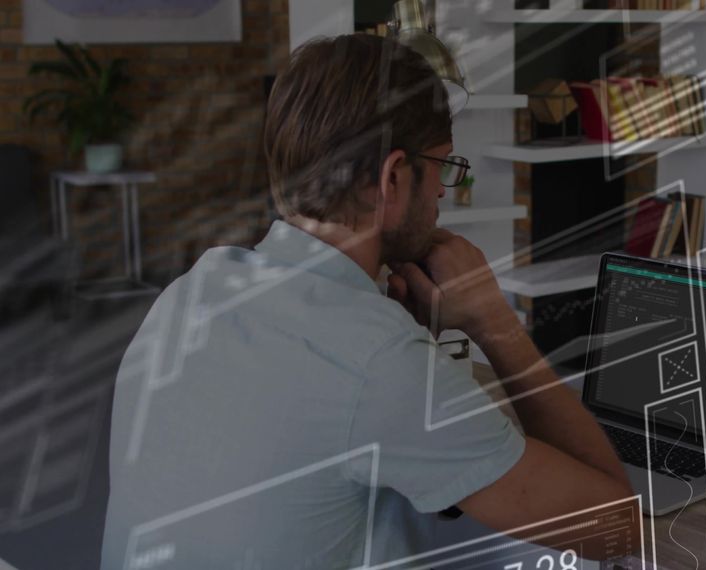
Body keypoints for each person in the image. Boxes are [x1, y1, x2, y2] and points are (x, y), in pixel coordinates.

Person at [100, 33, 632, 569]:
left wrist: (405, 343)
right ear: (393, 178)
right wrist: (494, 322)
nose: (442, 191)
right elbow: (616, 529)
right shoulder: (378, 360)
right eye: (443, 166)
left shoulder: (189, 291)